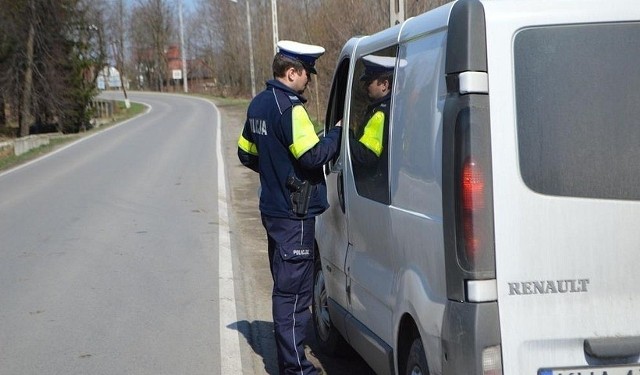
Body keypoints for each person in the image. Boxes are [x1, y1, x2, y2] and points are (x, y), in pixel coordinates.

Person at [237, 40, 341, 375]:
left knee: (285, 289)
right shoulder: (291, 108)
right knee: (294, 297)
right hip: (294, 214)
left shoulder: (258, 104)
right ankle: (296, 368)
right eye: (306, 74)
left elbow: (246, 153)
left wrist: (275, 170)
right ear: (291, 72)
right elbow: (312, 156)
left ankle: (289, 362)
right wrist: (336, 136)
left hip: (273, 210)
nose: (309, 80)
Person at [350, 54, 395, 202]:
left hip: (374, 191)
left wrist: (346, 138)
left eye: (370, 81)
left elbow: (366, 155)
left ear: (384, 85)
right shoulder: (393, 107)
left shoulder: (380, 114)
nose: (365, 86)